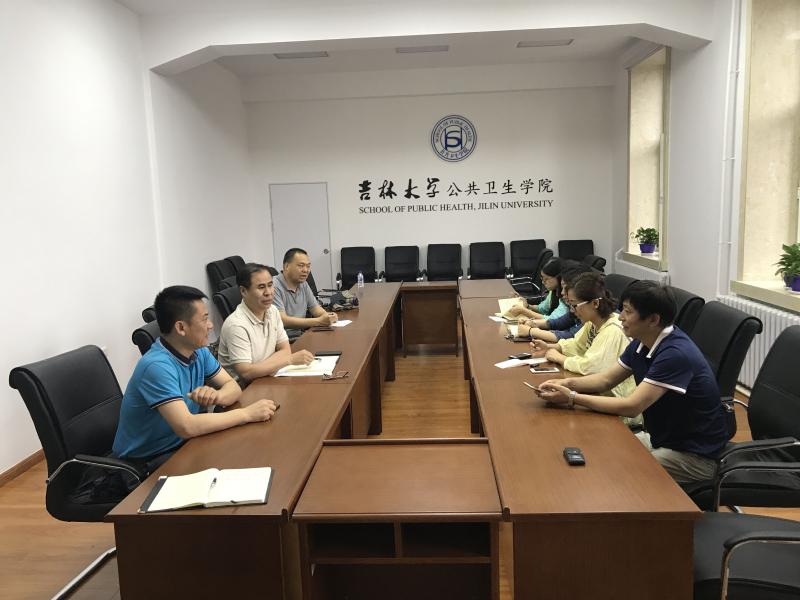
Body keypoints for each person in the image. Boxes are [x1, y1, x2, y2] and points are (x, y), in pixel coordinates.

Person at [537, 280, 730, 483]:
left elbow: (632, 406)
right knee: (596, 452)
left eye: (628, 312)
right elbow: (606, 380)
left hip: (695, 456)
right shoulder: (642, 342)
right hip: (662, 440)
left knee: (616, 472)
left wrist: (572, 398)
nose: (620, 317)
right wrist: (565, 384)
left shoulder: (675, 354)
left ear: (653, 319)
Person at [113, 285, 278, 466]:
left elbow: (233, 387)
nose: (211, 325)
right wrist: (246, 414)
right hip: (148, 460)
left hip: (185, 443)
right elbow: (187, 426)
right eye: (204, 319)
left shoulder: (199, 351)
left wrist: (217, 395)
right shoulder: (156, 366)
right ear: (181, 327)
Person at [529, 272, 641, 428]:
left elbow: (591, 368)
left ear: (594, 303)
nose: (572, 310)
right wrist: (552, 347)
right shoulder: (593, 322)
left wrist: (560, 358)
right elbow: (576, 345)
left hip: (616, 405)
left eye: (575, 305)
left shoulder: (613, 330)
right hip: (598, 396)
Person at [218, 263, 315, 382]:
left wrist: (263, 367)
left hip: (266, 378)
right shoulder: (236, 325)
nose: (268, 292)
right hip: (245, 388)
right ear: (243, 291)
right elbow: (246, 372)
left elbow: (285, 350)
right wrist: (288, 360)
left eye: (270, 285)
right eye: (261, 287)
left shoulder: (272, 311)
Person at [515, 261, 591, 342]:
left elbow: (572, 336)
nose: (562, 292)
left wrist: (531, 331)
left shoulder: (587, 312)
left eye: (566, 288)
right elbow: (559, 322)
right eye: (562, 287)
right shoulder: (575, 306)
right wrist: (532, 323)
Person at [273, 248, 338, 340]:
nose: (306, 270)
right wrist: (318, 321)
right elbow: (283, 320)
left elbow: (315, 309)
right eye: (301, 266)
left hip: (300, 336)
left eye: (308, 266)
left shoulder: (303, 284)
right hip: (283, 341)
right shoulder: (273, 286)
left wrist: (327, 316)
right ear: (286, 266)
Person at [507, 258, 569, 324]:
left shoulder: (567, 296)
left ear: (558, 277)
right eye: (542, 278)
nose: (543, 282)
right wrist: (527, 306)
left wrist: (524, 311)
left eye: (546, 279)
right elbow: (542, 309)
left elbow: (552, 320)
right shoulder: (554, 290)